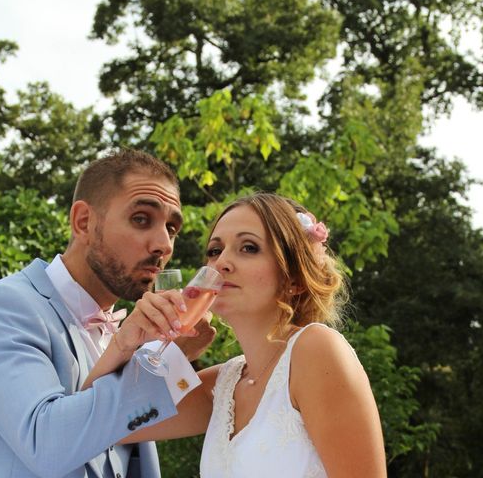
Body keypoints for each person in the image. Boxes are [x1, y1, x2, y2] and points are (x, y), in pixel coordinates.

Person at [0, 149, 215, 478]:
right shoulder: (2, 307)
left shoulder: (132, 334)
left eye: (171, 228)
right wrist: (167, 361)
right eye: (142, 219)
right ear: (84, 222)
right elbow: (46, 444)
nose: (164, 244)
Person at [119, 192, 387, 477]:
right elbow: (103, 424)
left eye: (248, 248)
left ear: (293, 279)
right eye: (214, 250)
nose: (222, 262)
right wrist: (127, 343)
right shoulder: (224, 384)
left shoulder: (316, 350)